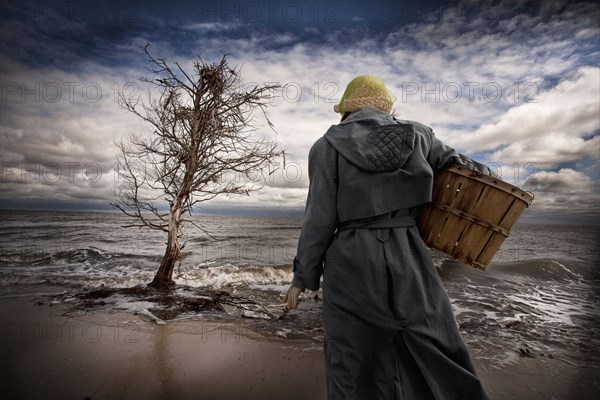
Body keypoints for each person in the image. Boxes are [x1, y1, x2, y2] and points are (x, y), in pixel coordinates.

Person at [283, 75, 491, 400]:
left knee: (351, 359)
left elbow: (319, 219)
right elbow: (468, 170)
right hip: (408, 252)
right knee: (435, 343)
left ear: (347, 110)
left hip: (351, 260)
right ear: (387, 105)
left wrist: (303, 276)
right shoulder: (420, 135)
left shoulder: (325, 147)